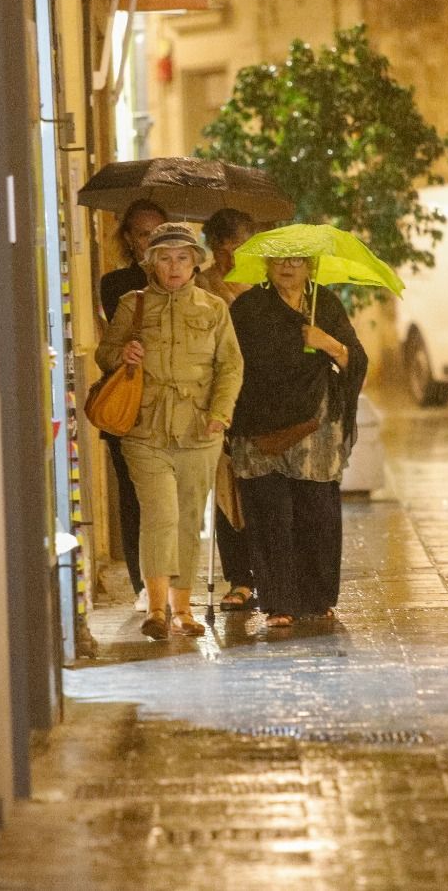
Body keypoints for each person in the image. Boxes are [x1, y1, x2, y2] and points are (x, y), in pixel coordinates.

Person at [97, 222, 244, 639]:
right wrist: (122, 353)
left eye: (183, 258)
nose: (174, 266)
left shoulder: (214, 309)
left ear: (196, 263)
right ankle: (156, 609)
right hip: (146, 429)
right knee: (159, 512)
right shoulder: (133, 305)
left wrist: (221, 413)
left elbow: (231, 366)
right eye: (165, 258)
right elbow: (106, 353)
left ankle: (184, 609)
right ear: (151, 264)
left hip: (200, 429)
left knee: (187, 517)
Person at [228, 255, 367, 629]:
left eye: (298, 261)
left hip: (315, 425)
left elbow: (354, 357)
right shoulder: (249, 307)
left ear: (310, 267)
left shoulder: (326, 303)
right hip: (260, 422)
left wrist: (328, 344)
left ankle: (316, 597)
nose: (288, 267)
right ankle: (279, 602)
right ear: (267, 265)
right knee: (269, 512)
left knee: (316, 510)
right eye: (279, 260)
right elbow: (237, 360)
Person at [97, 199, 167, 611]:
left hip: (170, 405)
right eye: (143, 233)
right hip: (129, 405)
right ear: (129, 238)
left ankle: (168, 583)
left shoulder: (183, 280)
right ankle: (144, 585)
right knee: (134, 494)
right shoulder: (115, 282)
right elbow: (120, 331)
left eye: (159, 230)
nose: (151, 239)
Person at [197, 209, 259, 612]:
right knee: (227, 490)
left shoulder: (263, 283)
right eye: (226, 247)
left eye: (239, 245)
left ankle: (267, 572)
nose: (232, 255)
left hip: (260, 395)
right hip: (219, 394)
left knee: (261, 487)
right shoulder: (201, 286)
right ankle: (239, 578)